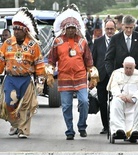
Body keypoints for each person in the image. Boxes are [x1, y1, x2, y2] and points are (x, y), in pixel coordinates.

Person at [46, 4, 99, 140]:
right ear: (64, 29)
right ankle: (69, 130)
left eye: (73, 28)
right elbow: (51, 61)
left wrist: (93, 77)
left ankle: (82, 126)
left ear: (77, 28)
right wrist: (50, 74)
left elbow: (89, 61)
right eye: (68, 28)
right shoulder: (57, 42)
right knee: (66, 106)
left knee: (84, 102)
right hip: (64, 79)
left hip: (80, 77)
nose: (70, 30)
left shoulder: (82, 42)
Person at [0, 7, 46, 138]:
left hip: (26, 79)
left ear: (25, 30)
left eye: (18, 29)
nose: (15, 31)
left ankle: (23, 129)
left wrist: (40, 82)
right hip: (10, 79)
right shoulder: (7, 43)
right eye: (14, 29)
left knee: (25, 106)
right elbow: (1, 60)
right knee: (10, 102)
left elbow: (39, 63)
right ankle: (15, 124)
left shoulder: (33, 45)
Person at [106, 56, 138, 143]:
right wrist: (120, 95)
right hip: (122, 100)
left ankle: (137, 130)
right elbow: (114, 87)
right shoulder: (116, 74)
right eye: (126, 68)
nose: (128, 70)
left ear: (134, 66)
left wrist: (134, 98)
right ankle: (119, 129)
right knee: (115, 101)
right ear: (123, 65)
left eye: (130, 68)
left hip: (136, 101)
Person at [92, 19, 116, 134]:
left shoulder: (119, 40)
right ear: (104, 29)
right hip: (101, 77)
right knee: (102, 102)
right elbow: (93, 59)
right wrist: (92, 77)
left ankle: (115, 125)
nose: (110, 31)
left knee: (116, 102)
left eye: (112, 29)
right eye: (108, 29)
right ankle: (105, 126)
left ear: (115, 29)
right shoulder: (97, 42)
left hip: (115, 77)